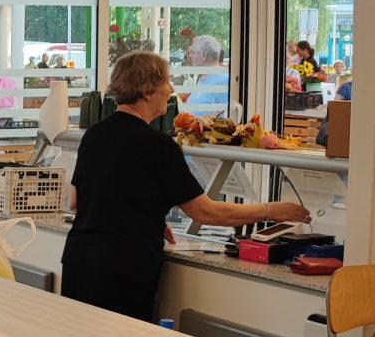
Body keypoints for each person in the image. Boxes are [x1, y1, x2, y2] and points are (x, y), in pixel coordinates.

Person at [61, 52, 309, 321]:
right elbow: (205, 212)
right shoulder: (159, 146)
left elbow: (77, 201)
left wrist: (145, 216)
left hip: (79, 261)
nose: (170, 90)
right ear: (147, 90)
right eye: (166, 83)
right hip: (124, 271)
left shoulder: (94, 135)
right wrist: (270, 211)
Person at [186, 35, 230, 108]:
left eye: (193, 52)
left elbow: (228, 113)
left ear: (204, 55)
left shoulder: (223, 81)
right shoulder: (204, 78)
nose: (190, 56)